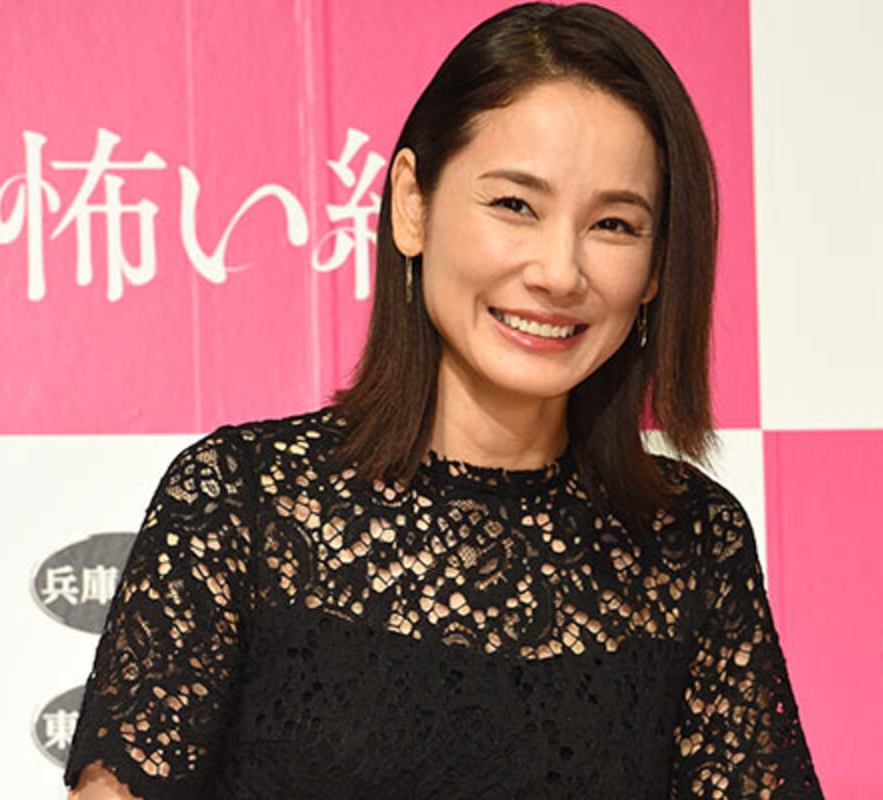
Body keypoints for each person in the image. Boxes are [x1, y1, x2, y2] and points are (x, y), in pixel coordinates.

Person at [65, 2, 823, 798]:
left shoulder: (691, 543)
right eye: (515, 206)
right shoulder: (242, 499)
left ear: (658, 265)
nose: (560, 272)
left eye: (613, 224)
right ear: (412, 204)